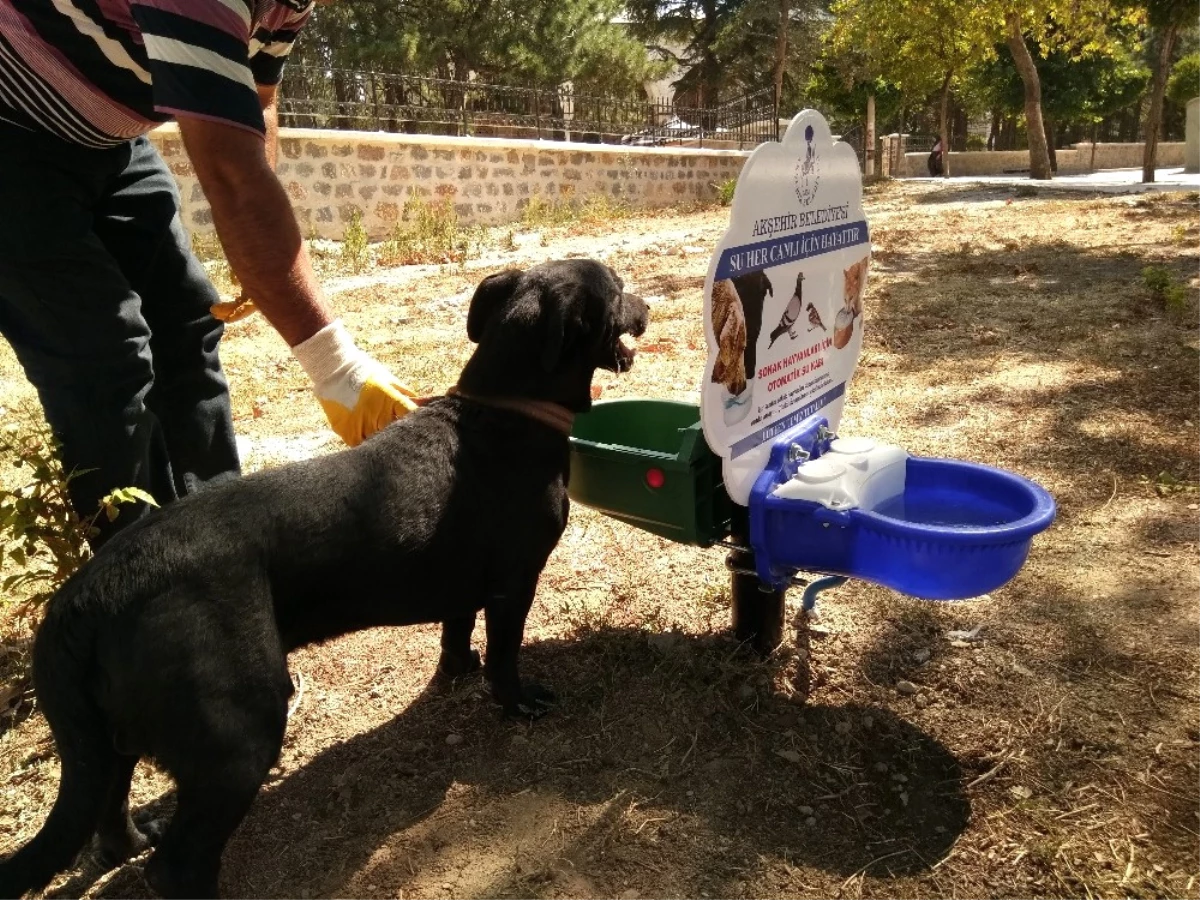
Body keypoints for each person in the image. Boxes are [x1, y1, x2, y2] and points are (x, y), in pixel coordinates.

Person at [0, 0, 419, 548]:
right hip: (11, 129)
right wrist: (336, 369)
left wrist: (259, 252)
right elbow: (230, 175)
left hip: (108, 139)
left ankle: (223, 550)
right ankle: (144, 587)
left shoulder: (289, 4)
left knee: (188, 326)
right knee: (104, 357)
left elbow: (258, 99)